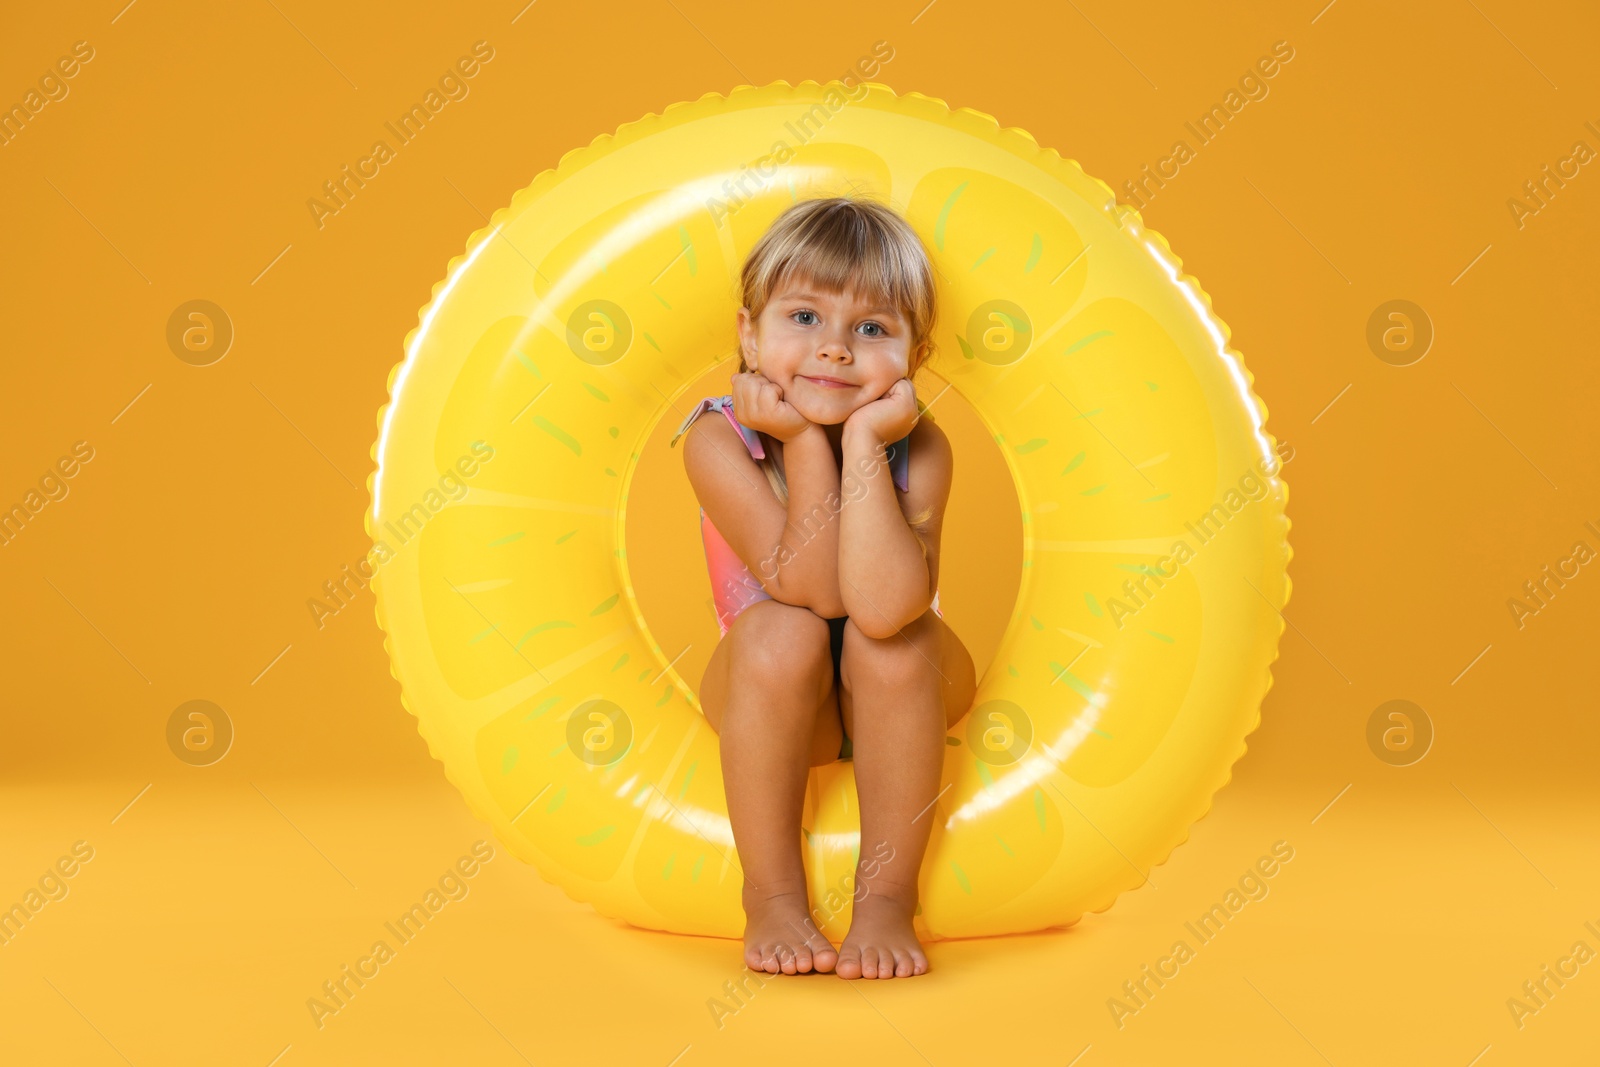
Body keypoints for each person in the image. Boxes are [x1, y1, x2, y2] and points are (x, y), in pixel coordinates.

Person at [670, 197, 977, 980]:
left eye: (872, 330)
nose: (834, 350)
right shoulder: (716, 439)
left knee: (893, 642)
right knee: (783, 629)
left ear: (915, 355)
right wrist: (804, 439)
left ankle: (885, 900)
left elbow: (877, 605)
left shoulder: (923, 447)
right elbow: (808, 588)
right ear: (749, 333)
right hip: (782, 703)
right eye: (803, 317)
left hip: (899, 697)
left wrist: (867, 444)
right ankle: (771, 895)